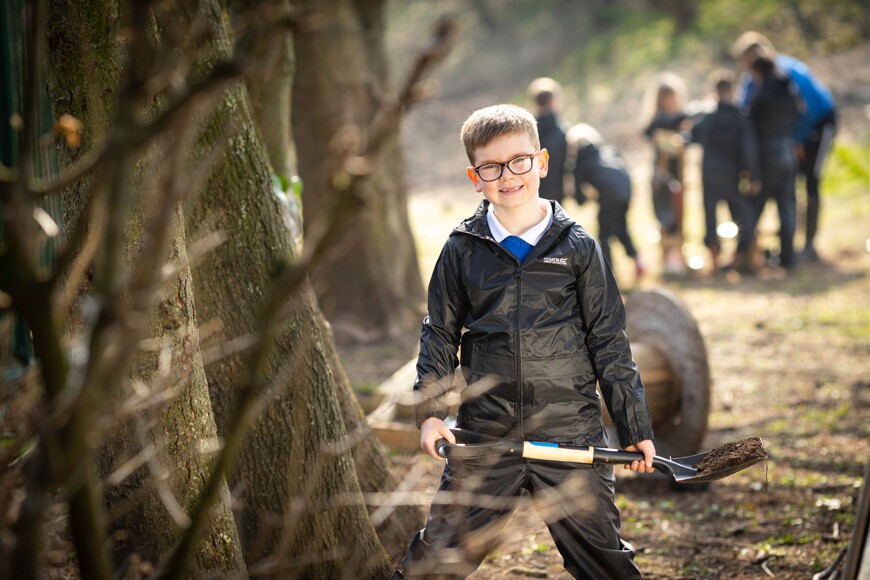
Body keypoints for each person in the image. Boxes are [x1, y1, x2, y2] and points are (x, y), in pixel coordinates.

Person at [392, 104, 656, 579]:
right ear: (475, 176)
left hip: (570, 433)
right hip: (485, 434)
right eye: (491, 167)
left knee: (606, 564)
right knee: (436, 562)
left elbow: (609, 341)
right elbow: (439, 334)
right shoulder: (461, 249)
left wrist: (634, 424)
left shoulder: (577, 246)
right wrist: (430, 414)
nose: (507, 176)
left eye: (519, 161)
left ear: (543, 163)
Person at [732, 31, 836, 262]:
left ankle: (809, 244)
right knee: (786, 191)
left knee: (810, 180)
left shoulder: (788, 72)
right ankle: (781, 249)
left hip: (818, 125)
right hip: (783, 142)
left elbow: (811, 108)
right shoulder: (753, 79)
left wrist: (797, 139)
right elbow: (746, 108)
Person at [689, 70, 760, 274]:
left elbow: (692, 135)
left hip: (710, 174)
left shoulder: (707, 117)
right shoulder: (740, 116)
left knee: (710, 217)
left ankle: (715, 260)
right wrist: (752, 174)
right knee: (741, 215)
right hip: (731, 175)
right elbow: (749, 149)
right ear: (732, 90)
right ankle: (740, 255)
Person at [743, 45, 802, 270]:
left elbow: (750, 123)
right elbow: (800, 113)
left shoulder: (762, 94)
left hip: (768, 156)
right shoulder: (787, 89)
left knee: (755, 205)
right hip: (787, 151)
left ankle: (745, 253)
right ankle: (788, 258)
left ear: (757, 71)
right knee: (786, 206)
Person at [567, 123, 645, 279]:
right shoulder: (608, 151)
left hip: (609, 197)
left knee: (604, 234)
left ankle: (609, 275)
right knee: (621, 227)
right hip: (626, 191)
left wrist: (585, 198)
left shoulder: (580, 162)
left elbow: (579, 195)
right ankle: (638, 262)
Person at [642, 72, 690, 275]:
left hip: (678, 174)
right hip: (662, 175)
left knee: (679, 214)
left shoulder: (682, 118)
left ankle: (678, 255)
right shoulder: (657, 121)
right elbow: (650, 132)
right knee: (665, 214)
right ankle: (667, 256)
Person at [528, 77, 569, 203]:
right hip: (558, 192)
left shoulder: (527, 131)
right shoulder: (563, 131)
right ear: (553, 102)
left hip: (532, 192)